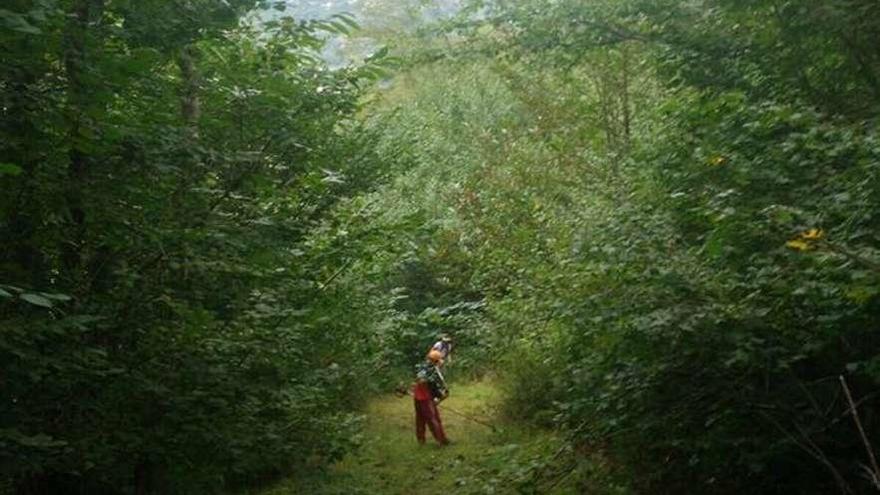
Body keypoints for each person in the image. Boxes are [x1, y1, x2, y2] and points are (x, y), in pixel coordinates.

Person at [413, 349, 450, 446]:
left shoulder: (422, 367)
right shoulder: (428, 369)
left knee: (420, 419)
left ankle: (421, 440)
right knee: (433, 419)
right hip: (425, 397)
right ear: (435, 361)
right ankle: (441, 440)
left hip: (420, 396)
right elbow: (422, 381)